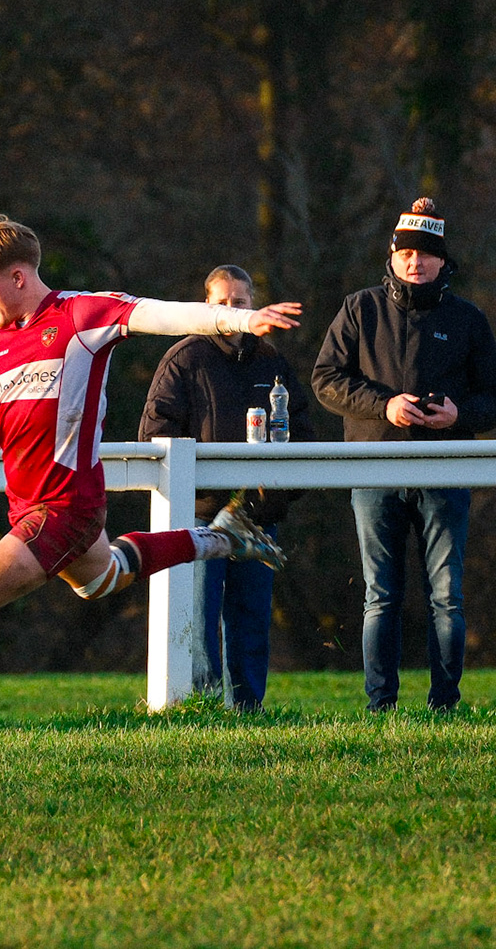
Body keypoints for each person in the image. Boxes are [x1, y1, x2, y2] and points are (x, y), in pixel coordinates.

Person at [0, 216, 300, 761]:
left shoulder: (79, 316)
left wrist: (239, 319)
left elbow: (160, 314)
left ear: (16, 277)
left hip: (64, 509)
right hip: (29, 511)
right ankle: (222, 537)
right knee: (103, 579)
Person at [311, 199, 496, 713]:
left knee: (447, 596)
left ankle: (445, 706)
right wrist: (384, 406)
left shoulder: (468, 319)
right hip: (374, 469)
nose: (415, 262)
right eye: (406, 253)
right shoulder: (359, 309)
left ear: (443, 260)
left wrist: (457, 415)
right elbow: (325, 380)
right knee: (380, 596)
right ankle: (381, 707)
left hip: (445, 471)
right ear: (392, 255)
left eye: (425, 254)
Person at [138, 264, 316, 712]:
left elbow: (303, 435)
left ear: (253, 304)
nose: (232, 310)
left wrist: (270, 498)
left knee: (251, 618)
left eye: (240, 302)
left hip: (258, 516)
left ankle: (248, 709)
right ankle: (202, 708)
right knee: (199, 619)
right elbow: (154, 434)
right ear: (206, 305)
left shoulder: (272, 362)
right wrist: (199, 497)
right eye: (222, 303)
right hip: (200, 517)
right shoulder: (184, 359)